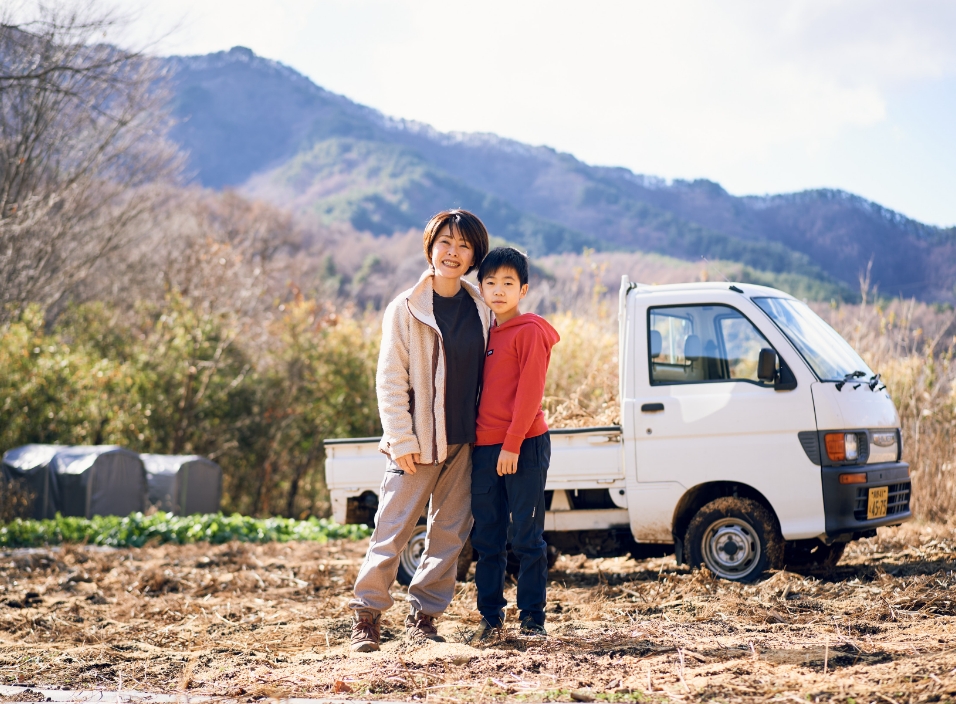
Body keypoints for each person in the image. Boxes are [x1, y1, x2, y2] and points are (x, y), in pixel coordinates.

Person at [349, 209, 491, 653]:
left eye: (464, 246)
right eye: (445, 242)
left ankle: (424, 618)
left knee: (449, 533)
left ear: (474, 256)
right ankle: (366, 617)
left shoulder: (482, 307)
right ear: (430, 247)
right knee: (391, 529)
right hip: (417, 442)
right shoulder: (406, 307)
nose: (453, 252)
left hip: (466, 440)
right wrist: (400, 439)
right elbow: (390, 379)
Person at [469, 247, 560, 641]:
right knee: (488, 538)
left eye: (508, 283)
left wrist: (512, 444)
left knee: (526, 536)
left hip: (523, 446)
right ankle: (490, 618)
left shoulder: (531, 331)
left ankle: (532, 619)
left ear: (523, 289)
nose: (498, 290)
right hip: (485, 448)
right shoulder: (485, 333)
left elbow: (529, 394)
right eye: (490, 282)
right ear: (481, 288)